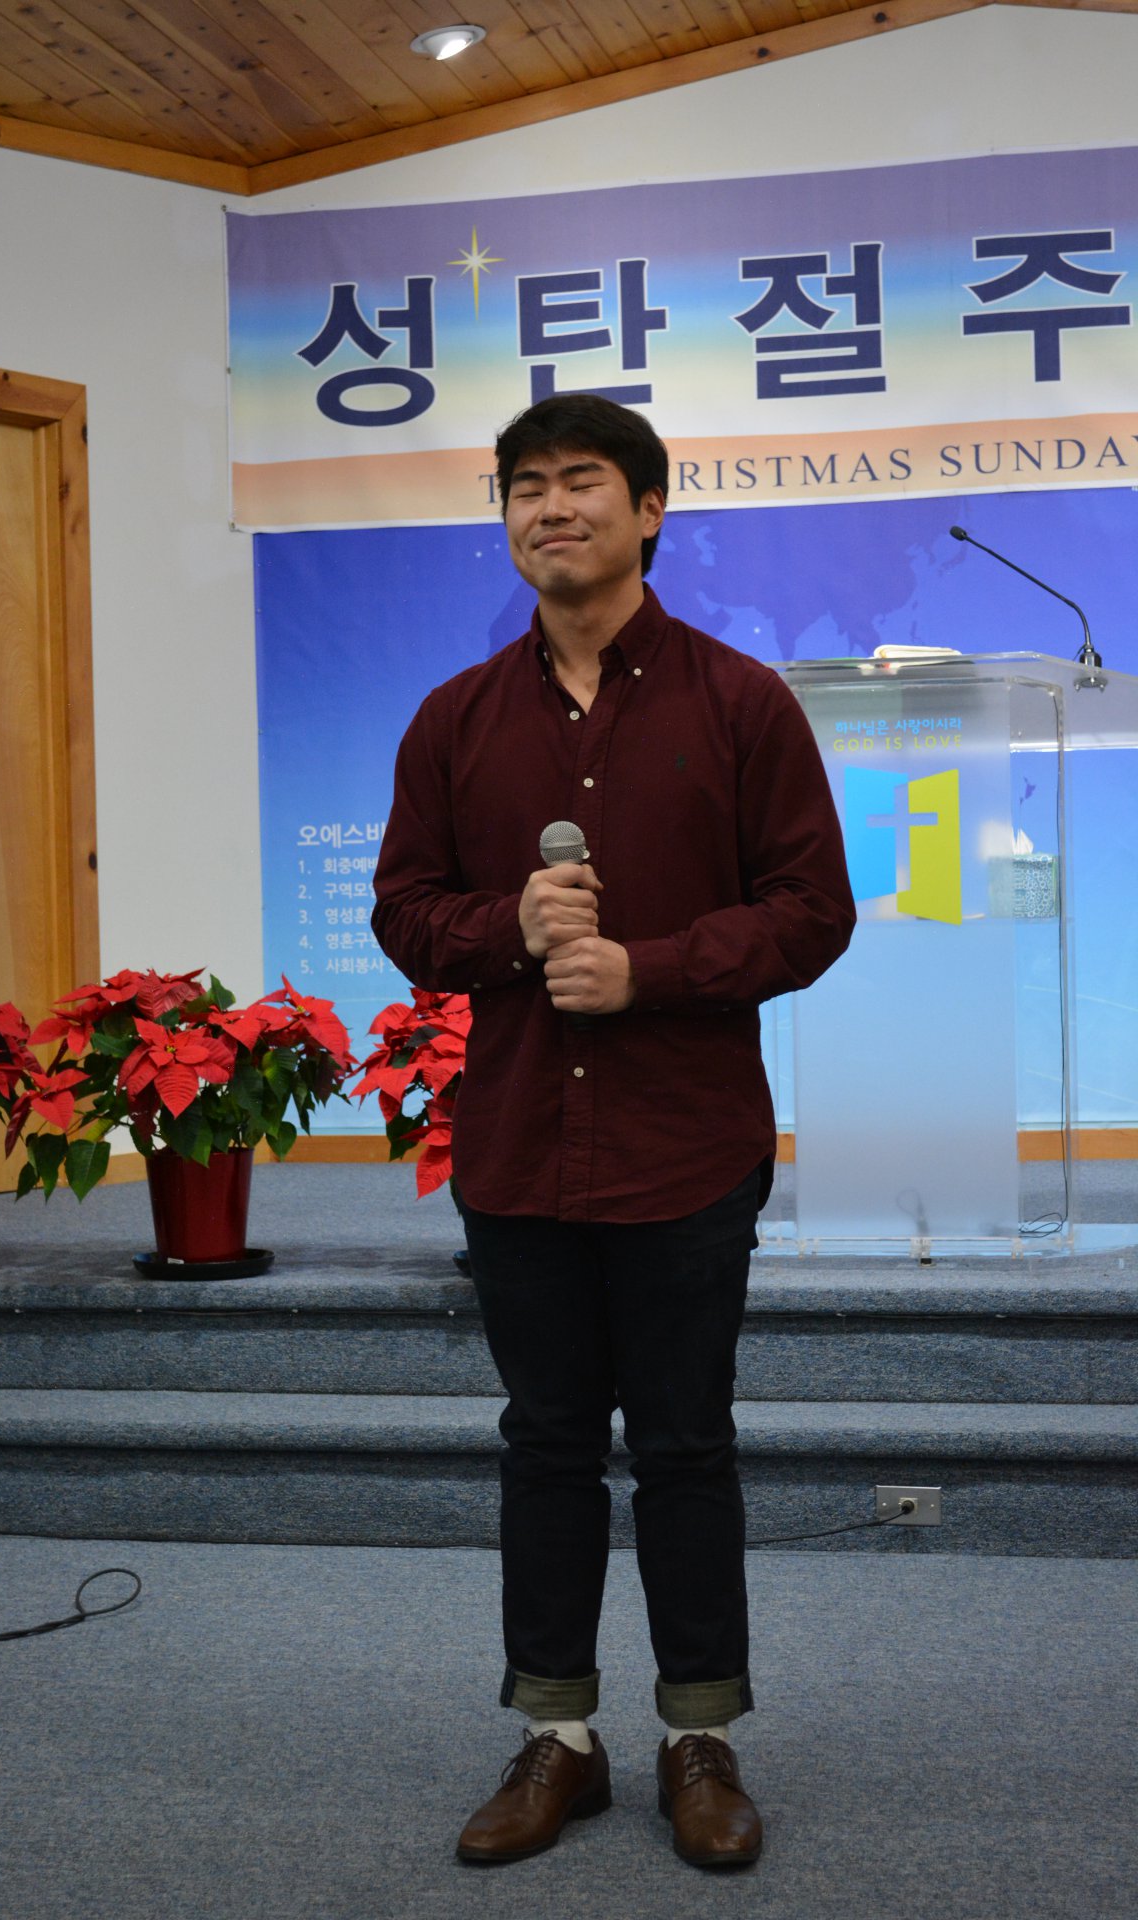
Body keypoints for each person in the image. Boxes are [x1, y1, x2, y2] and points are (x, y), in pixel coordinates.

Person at [371, 393, 855, 1870]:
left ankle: (699, 1737)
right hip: (521, 1146)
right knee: (546, 1446)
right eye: (525, 486)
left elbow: (811, 912)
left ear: (649, 510)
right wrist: (507, 931)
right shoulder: (455, 718)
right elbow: (406, 914)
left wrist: (651, 971)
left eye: (582, 480)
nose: (551, 507)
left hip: (683, 1145)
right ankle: (559, 1738)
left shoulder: (741, 704)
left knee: (688, 1447)